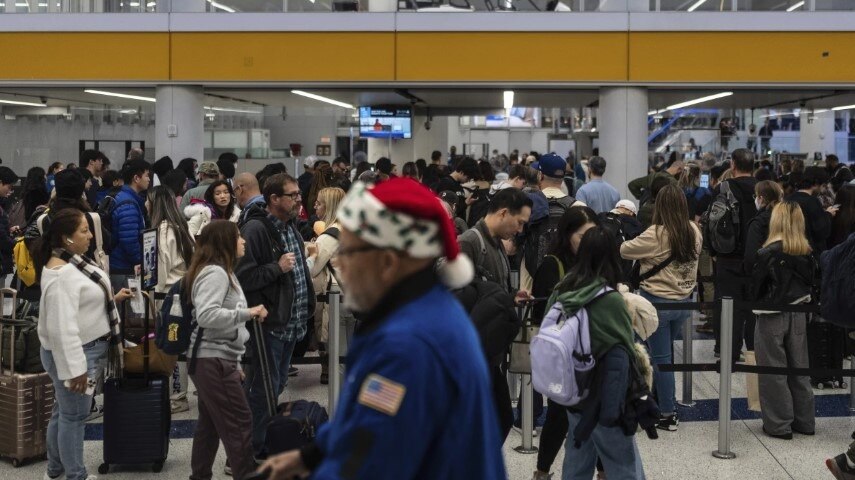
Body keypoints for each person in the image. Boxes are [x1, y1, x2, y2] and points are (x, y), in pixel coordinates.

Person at [257, 178, 506, 480]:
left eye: (349, 252)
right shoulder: (423, 311)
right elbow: (365, 419)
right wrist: (314, 455)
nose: (341, 263)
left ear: (387, 262)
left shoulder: (407, 345)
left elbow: (369, 460)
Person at [36, 208, 133, 480]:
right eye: (84, 231)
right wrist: (75, 369)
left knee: (63, 412)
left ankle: (55, 471)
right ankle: (74, 475)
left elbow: (79, 307)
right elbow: (61, 328)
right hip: (78, 355)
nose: (91, 236)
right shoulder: (61, 274)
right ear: (66, 238)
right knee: (74, 417)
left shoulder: (72, 261)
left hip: (83, 350)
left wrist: (112, 300)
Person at [552, 226, 647, 480]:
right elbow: (625, 345)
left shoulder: (562, 290)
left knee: (577, 455)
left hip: (572, 388)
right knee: (622, 460)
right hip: (605, 390)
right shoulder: (611, 299)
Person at [236, 173, 316, 458]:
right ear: (274, 199)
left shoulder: (289, 226)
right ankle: (251, 451)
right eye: (292, 195)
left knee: (276, 386)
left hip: (291, 324)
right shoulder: (256, 230)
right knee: (261, 391)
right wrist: (277, 268)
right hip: (268, 326)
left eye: (298, 194)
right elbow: (243, 278)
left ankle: (264, 442)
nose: (299, 200)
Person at [185, 220, 269, 480]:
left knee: (209, 426)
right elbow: (207, 316)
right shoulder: (215, 273)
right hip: (212, 359)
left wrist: (235, 361)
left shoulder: (224, 271)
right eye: (238, 237)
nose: (243, 241)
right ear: (225, 241)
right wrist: (248, 312)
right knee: (239, 422)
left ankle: (200, 476)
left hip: (215, 358)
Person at [621, 184, 701, 431]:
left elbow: (624, 250)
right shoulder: (693, 230)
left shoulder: (655, 234)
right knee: (661, 356)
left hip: (657, 304)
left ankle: (667, 412)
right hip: (685, 302)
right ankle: (656, 400)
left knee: (661, 360)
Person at [529, 206, 599, 480]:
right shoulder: (552, 264)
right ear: (567, 234)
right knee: (558, 417)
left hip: (594, 353)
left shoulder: (596, 263)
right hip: (563, 357)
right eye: (582, 236)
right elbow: (540, 314)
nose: (587, 241)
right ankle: (542, 471)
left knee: (597, 418)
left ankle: (603, 473)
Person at [750, 202, 816, 439]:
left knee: (772, 370)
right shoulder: (807, 251)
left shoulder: (766, 253)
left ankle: (779, 425)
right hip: (800, 313)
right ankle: (805, 421)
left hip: (771, 316)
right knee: (800, 369)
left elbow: (754, 290)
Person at [147, 185, 196, 413]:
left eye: (149, 201)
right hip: (182, 292)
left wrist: (151, 298)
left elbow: (161, 272)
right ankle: (177, 395)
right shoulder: (179, 228)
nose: (146, 205)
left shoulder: (163, 232)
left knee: (172, 345)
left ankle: (177, 397)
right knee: (178, 344)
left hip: (168, 297)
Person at [710, 149, 759, 363]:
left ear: (732, 164)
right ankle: (754, 352)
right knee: (754, 308)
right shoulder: (764, 189)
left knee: (727, 306)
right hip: (758, 258)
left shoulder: (723, 188)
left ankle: (727, 349)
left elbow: (712, 222)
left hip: (728, 256)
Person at [458, 187, 532, 297]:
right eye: (520, 222)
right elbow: (461, 296)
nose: (520, 230)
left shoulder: (498, 242)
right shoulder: (469, 242)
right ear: (503, 214)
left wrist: (512, 297)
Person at [305, 187, 346, 385]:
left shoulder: (328, 236)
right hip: (350, 292)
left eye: (319, 203)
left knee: (330, 337)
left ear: (329, 207)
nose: (315, 206)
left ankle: (329, 371)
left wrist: (311, 251)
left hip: (333, 294)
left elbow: (313, 269)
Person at [110, 159, 151, 290]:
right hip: (123, 268)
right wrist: (140, 261)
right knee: (129, 309)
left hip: (119, 265)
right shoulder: (128, 204)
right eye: (146, 175)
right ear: (136, 178)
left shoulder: (124, 197)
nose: (149, 179)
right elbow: (129, 241)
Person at [787, 166, 837, 255]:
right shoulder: (813, 201)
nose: (823, 189)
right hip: (808, 252)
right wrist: (828, 214)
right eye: (823, 185)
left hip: (789, 248)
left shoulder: (788, 199)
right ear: (816, 183)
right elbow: (821, 231)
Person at [743, 180, 784, 272]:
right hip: (786, 272)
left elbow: (751, 256)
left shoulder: (758, 222)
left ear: (761, 198)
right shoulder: (788, 217)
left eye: (756, 196)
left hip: (764, 275)